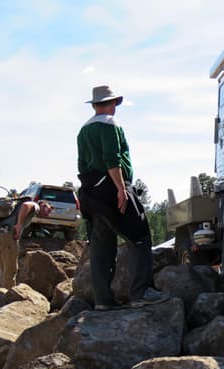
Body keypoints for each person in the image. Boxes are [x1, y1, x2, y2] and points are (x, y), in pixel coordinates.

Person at [76, 85, 167, 311]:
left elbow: (81, 164)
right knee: (139, 236)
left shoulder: (83, 130)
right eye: (114, 102)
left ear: (95, 104)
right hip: (111, 187)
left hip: (90, 190)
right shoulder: (110, 124)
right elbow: (112, 158)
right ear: (112, 103)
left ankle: (103, 300)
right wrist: (120, 188)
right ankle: (141, 292)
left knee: (102, 245)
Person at [0, 198, 52, 288]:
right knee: (11, 268)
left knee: (4, 266)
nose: (48, 214)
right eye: (48, 210)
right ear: (43, 205)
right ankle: (8, 294)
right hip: (8, 234)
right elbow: (26, 206)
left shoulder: (17, 207)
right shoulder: (35, 206)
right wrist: (19, 225)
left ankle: (2, 290)